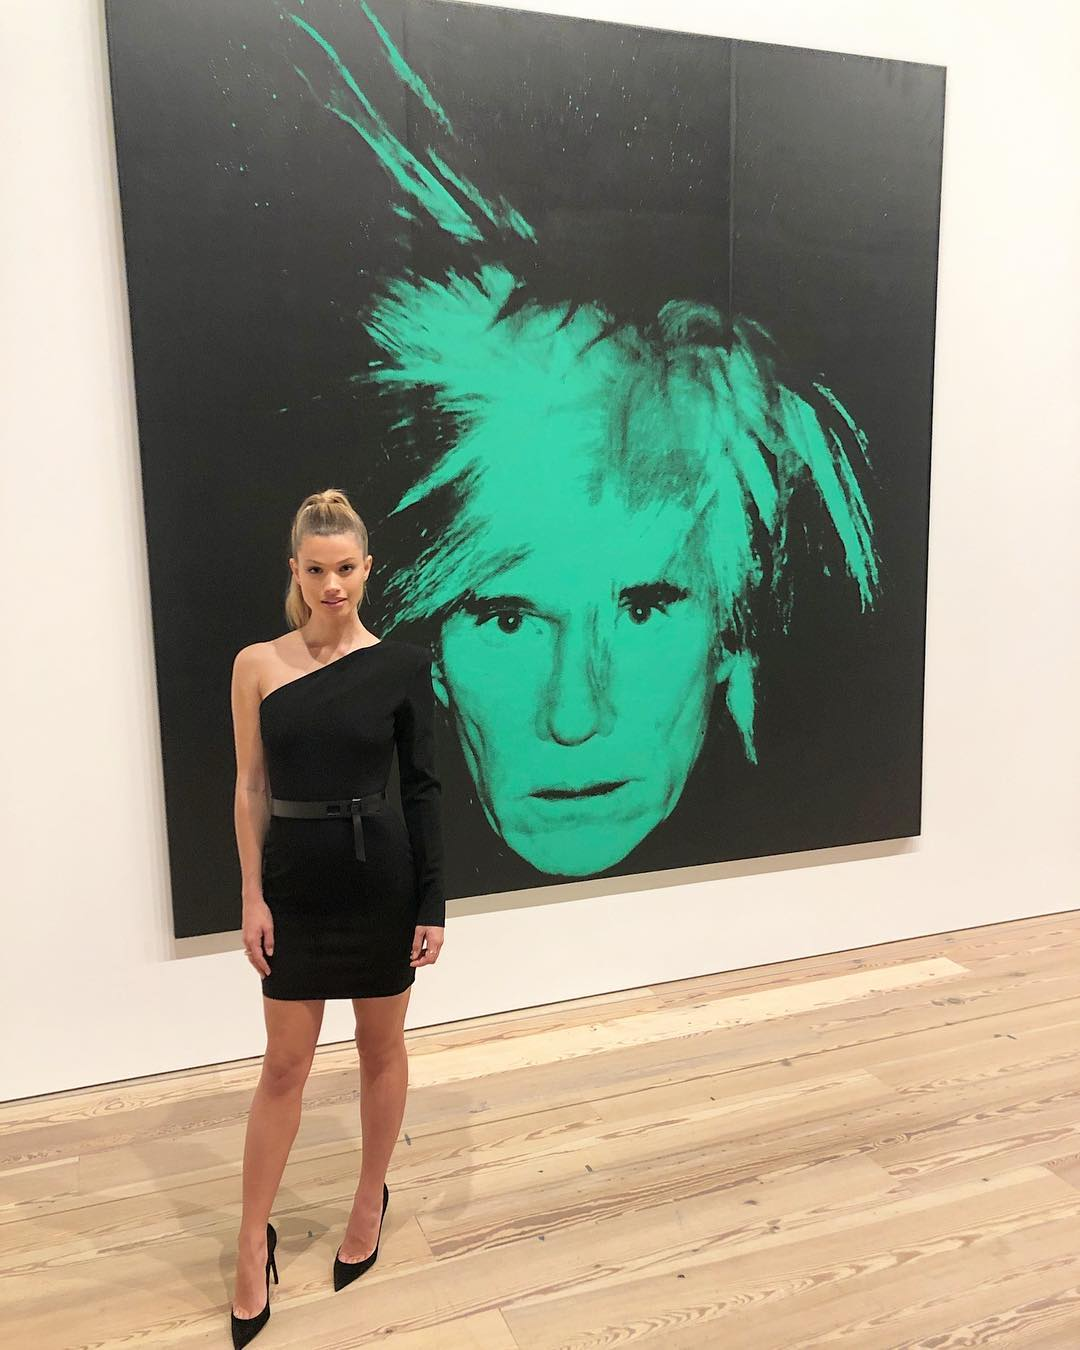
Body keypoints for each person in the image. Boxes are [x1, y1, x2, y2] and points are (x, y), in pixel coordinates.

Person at [227, 488, 445, 1345]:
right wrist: (251, 894)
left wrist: (432, 899)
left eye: (346, 568)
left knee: (380, 1048)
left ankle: (367, 1199)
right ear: (295, 570)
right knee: (284, 1065)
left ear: (367, 568)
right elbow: (250, 787)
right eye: (316, 569)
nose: (332, 585)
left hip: (379, 880)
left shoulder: (400, 664)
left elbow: (422, 789)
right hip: (294, 881)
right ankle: (252, 1240)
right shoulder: (257, 664)